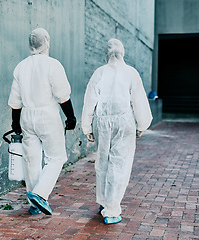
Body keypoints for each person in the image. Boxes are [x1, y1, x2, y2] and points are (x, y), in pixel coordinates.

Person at [81, 38, 152, 224]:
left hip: (102, 122)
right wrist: (142, 125)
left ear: (106, 53)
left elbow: (89, 101)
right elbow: (139, 99)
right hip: (124, 122)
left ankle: (105, 203)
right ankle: (112, 210)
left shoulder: (99, 73)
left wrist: (87, 127)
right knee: (119, 164)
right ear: (123, 52)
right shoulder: (131, 73)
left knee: (103, 162)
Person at [8, 28, 76, 216]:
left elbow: (15, 100)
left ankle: (33, 203)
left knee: (32, 159)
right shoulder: (53, 65)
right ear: (46, 42)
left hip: (27, 116)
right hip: (47, 116)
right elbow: (62, 95)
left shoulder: (21, 66)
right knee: (57, 157)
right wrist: (70, 117)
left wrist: (15, 123)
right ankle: (40, 194)